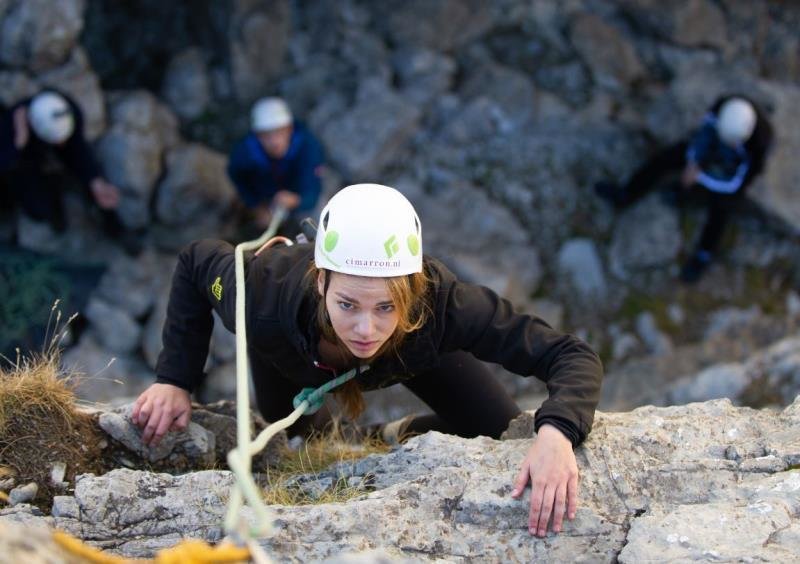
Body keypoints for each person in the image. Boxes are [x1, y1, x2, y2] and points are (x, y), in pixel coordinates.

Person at [132, 183, 603, 537]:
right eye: (347, 305)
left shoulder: (442, 306)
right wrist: (176, 378)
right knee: (293, 440)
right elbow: (197, 263)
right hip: (288, 356)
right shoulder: (261, 295)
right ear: (321, 283)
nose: (365, 331)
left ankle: (393, 434)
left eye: (385, 307)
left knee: (498, 428)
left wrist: (558, 431)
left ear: (413, 290)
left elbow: (568, 354)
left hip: (416, 350)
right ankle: (348, 433)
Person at [595, 95, 773, 282]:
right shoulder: (723, 105)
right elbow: (705, 133)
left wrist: (701, 176)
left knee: (721, 210)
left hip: (730, 168)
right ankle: (626, 193)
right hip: (711, 149)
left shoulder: (760, 142)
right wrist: (694, 161)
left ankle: (703, 254)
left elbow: (737, 182)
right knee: (665, 159)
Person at [0, 90, 127, 243]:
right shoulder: (10, 127)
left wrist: (95, 181)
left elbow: (77, 149)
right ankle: (51, 187)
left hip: (54, 140)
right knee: (38, 210)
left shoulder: (67, 111)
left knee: (97, 184)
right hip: (27, 156)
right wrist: (19, 144)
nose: (62, 144)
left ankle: (115, 227)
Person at [227, 97, 324, 237]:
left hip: (299, 195)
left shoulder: (308, 148)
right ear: (257, 136)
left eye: (279, 132)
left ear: (289, 129)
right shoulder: (245, 154)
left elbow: (313, 193)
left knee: (320, 221)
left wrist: (296, 201)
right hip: (268, 201)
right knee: (260, 230)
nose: (274, 142)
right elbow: (237, 176)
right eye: (266, 135)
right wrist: (256, 205)